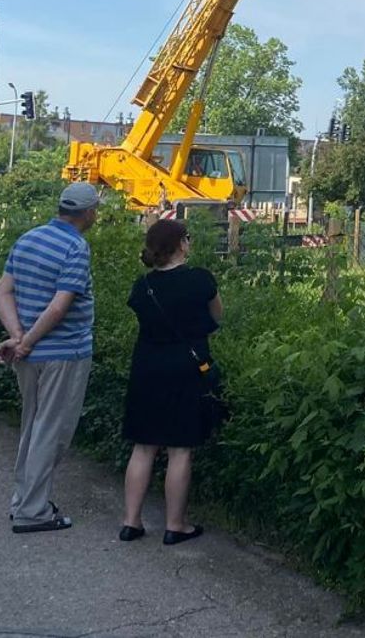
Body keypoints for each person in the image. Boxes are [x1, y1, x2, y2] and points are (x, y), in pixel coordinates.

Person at [0, 182, 100, 533]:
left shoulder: (29, 238)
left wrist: (17, 336)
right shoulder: (75, 247)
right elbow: (58, 307)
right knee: (52, 431)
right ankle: (34, 511)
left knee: (33, 427)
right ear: (88, 213)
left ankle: (23, 501)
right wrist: (26, 342)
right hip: (64, 353)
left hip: (30, 356)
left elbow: (3, 290)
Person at [120, 219, 223, 545]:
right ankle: (175, 525)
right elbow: (217, 317)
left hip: (146, 366)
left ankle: (131, 522)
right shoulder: (200, 279)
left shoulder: (143, 286)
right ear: (180, 244)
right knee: (180, 449)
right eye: (187, 238)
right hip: (186, 368)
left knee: (143, 447)